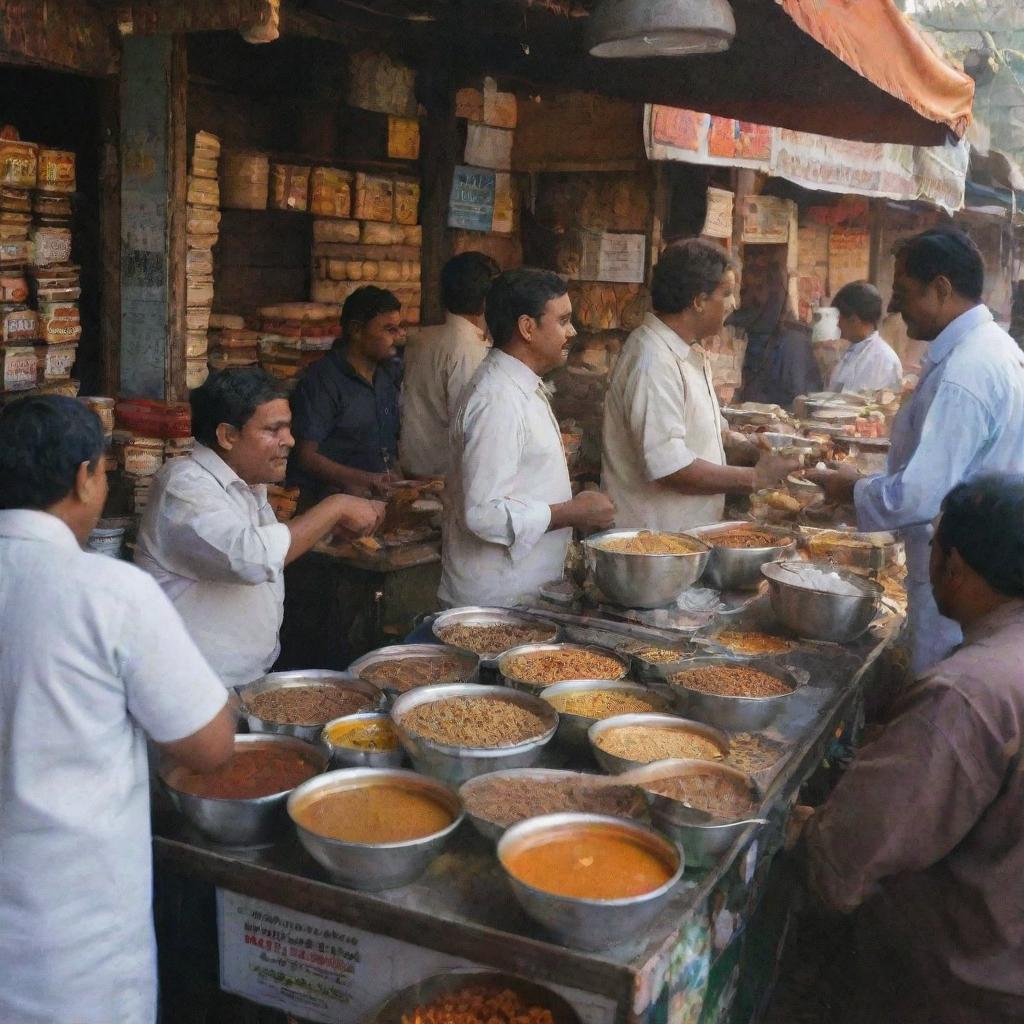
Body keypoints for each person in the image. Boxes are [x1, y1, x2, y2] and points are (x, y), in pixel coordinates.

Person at [0, 395, 235, 1024]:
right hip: (72, 943)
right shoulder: (106, 591)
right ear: (84, 477)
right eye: (103, 472)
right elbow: (209, 748)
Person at [798, 476, 1024, 1024]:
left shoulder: (966, 694)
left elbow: (845, 859)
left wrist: (802, 827)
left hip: (960, 981)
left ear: (953, 566)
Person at [808, 228, 1024, 674]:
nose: (894, 306)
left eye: (903, 292)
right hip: (976, 565)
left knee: (948, 687)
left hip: (965, 573)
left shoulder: (968, 369)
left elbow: (921, 494)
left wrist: (855, 489)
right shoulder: (983, 350)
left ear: (941, 288)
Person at [136, 368, 383, 689]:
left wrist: (325, 533)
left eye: (288, 428)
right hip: (193, 688)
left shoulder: (249, 486)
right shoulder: (184, 486)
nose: (290, 441)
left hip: (242, 682)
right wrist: (335, 507)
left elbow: (265, 551)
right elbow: (250, 558)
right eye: (273, 429)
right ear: (227, 436)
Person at [439, 268, 615, 606]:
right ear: (527, 328)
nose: (572, 331)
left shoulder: (518, 386)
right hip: (495, 601)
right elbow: (483, 513)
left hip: (517, 591)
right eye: (563, 321)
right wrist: (570, 512)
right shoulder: (497, 400)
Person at [602, 239, 799, 532]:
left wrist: (750, 447)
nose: (734, 304)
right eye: (727, 293)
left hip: (682, 540)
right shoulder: (653, 359)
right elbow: (669, 467)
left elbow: (707, 436)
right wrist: (755, 478)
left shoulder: (686, 351)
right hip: (653, 545)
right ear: (698, 301)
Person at [291, 285, 405, 503]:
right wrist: (365, 479)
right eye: (389, 329)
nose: (398, 337)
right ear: (356, 330)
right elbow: (305, 456)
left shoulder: (386, 377)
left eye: (399, 328)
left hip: (376, 504)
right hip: (329, 506)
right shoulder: (322, 381)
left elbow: (387, 446)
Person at [400, 251, 500, 478]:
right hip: (446, 481)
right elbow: (472, 428)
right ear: (487, 299)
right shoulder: (470, 349)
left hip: (413, 472)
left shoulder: (421, 339)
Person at [735, 271, 821, 408]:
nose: (808, 311)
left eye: (809, 305)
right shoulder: (792, 339)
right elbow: (798, 393)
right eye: (805, 304)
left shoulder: (791, 337)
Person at [828, 280, 903, 393]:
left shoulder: (884, 361)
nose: (838, 325)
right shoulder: (849, 353)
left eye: (840, 318)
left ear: (854, 320)